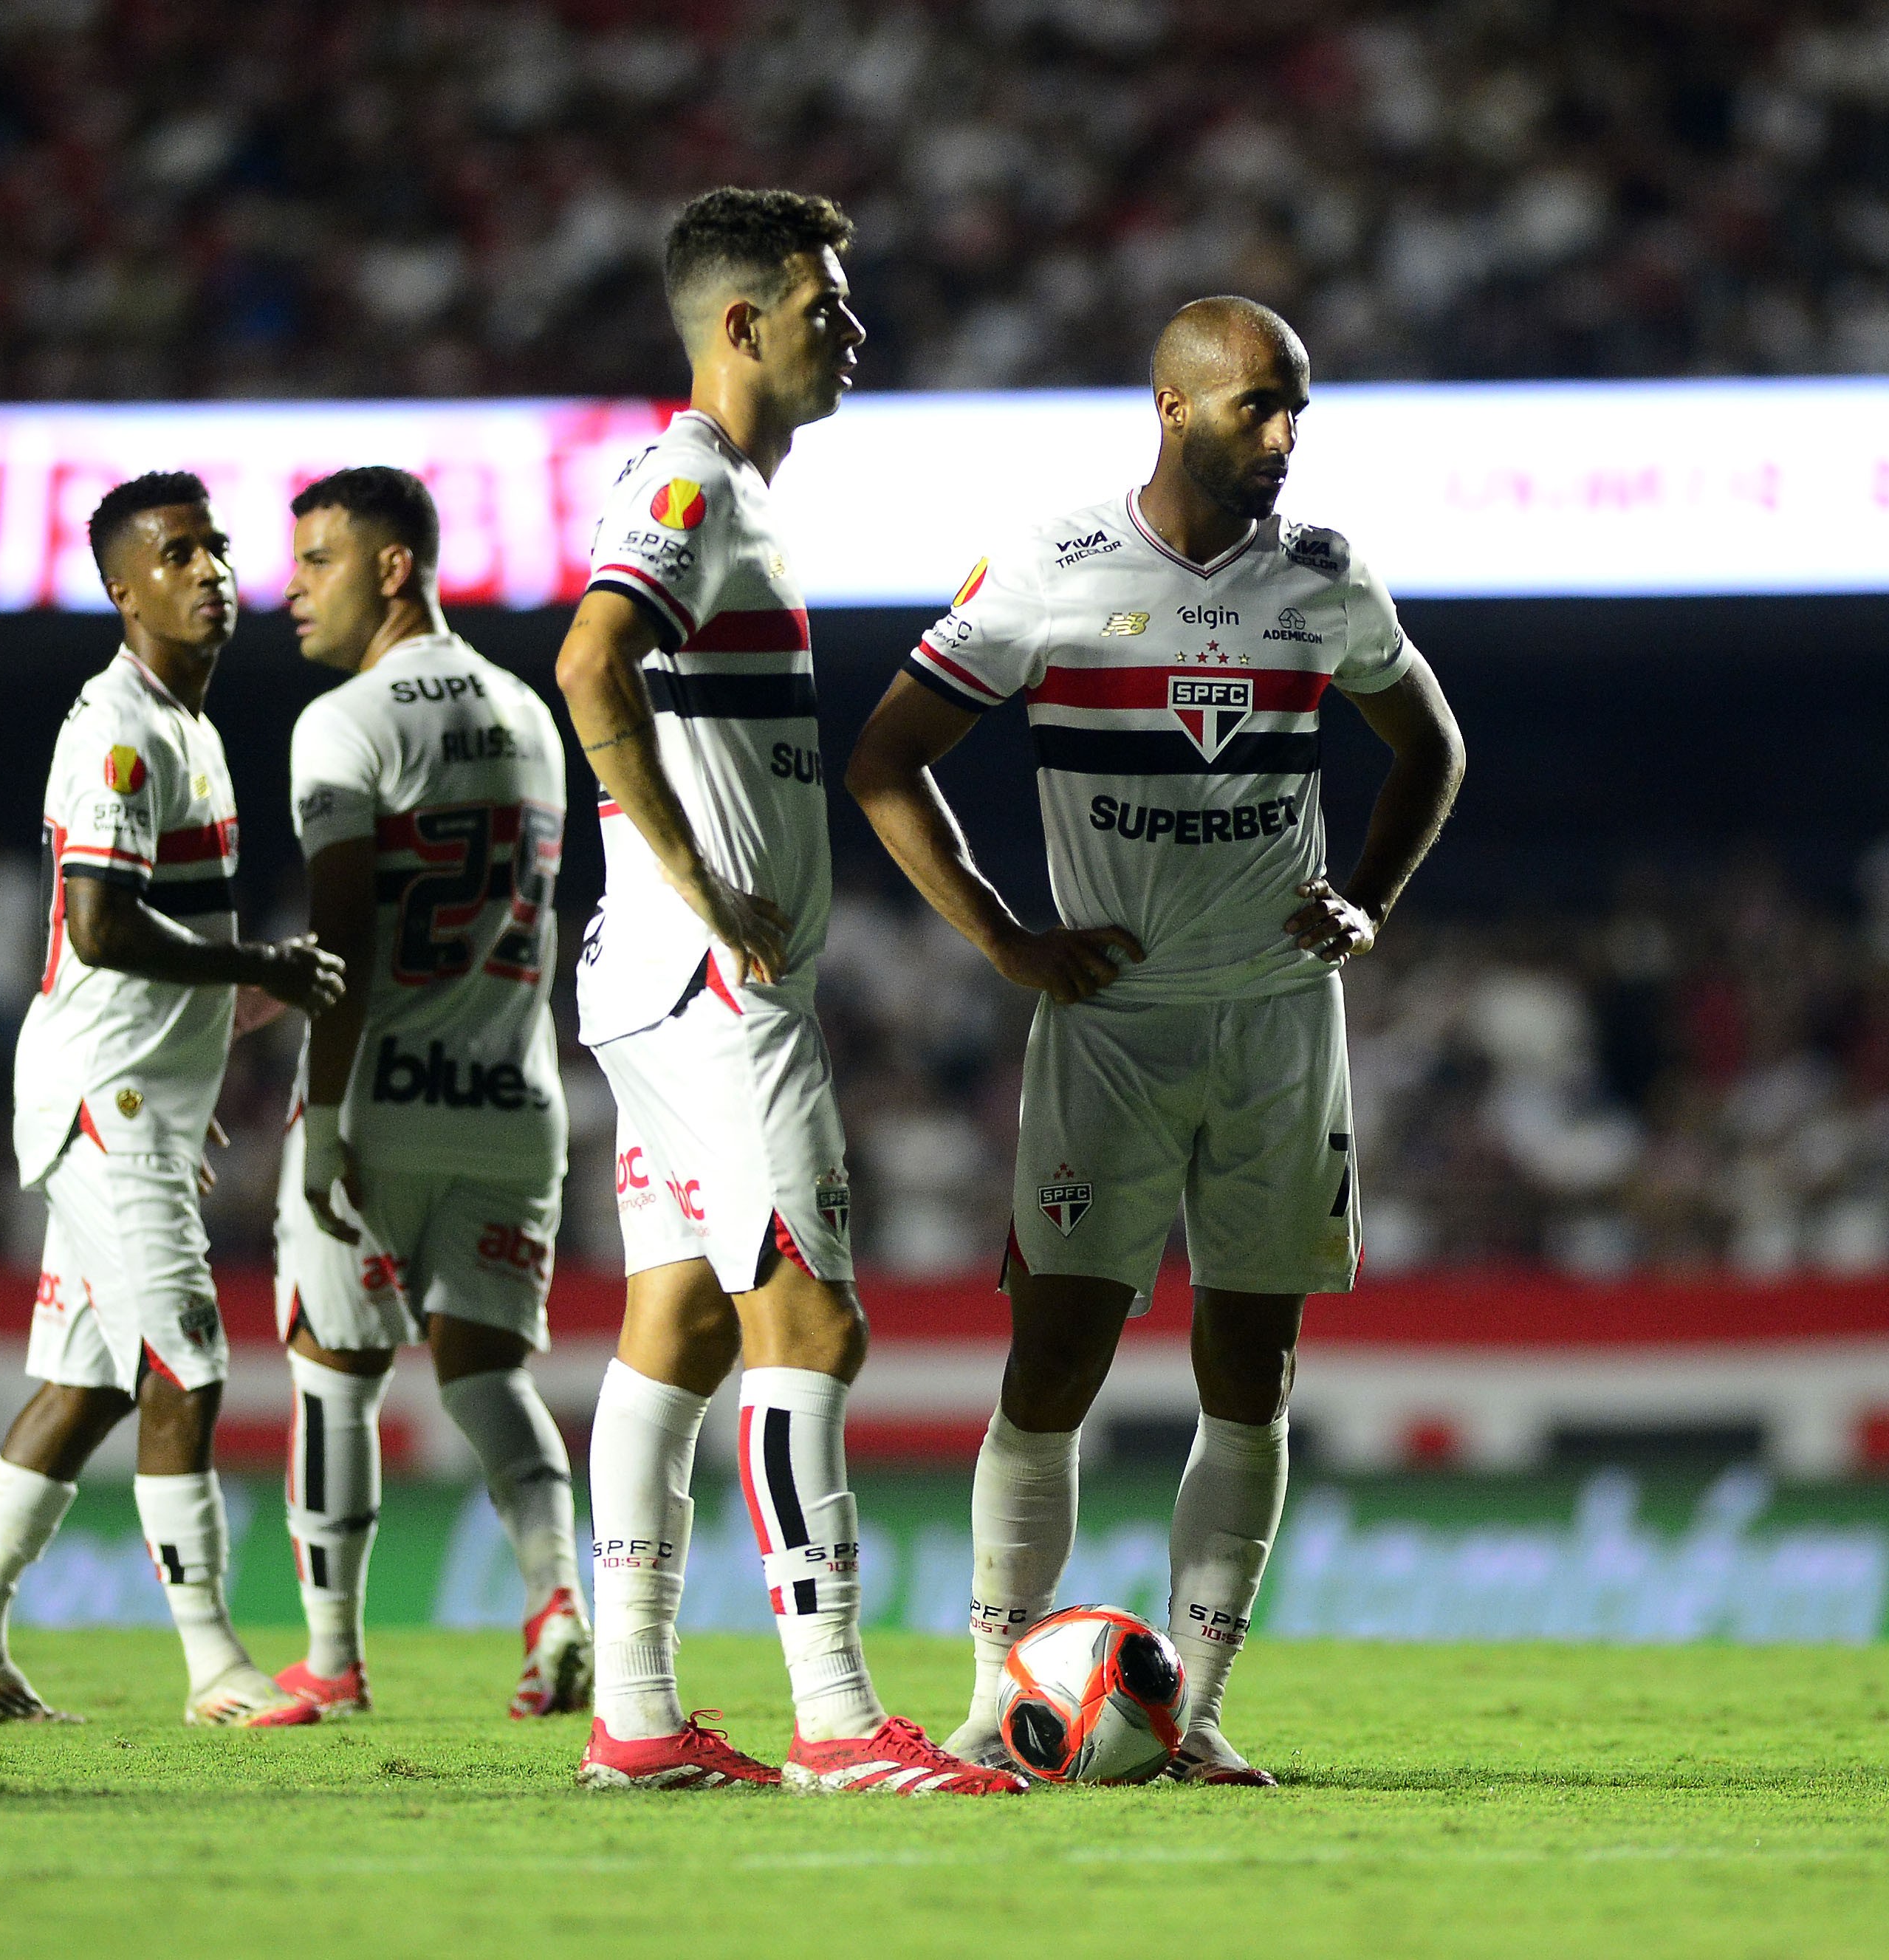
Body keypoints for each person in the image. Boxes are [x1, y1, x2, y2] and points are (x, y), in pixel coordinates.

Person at [848, 296, 1466, 1784]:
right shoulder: (1050, 571)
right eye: (1260, 407)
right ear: (1173, 407)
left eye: (1298, 408)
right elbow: (883, 761)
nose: (1286, 437)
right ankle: (1000, 1690)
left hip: (1273, 1027)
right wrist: (1004, 936)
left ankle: (1190, 1714)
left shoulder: (1321, 578)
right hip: (1107, 1033)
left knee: (1249, 1369)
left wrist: (1367, 900)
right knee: (1053, 1354)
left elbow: (1429, 747)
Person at [553, 187, 1021, 1794]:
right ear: (741, 322)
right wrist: (703, 878)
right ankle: (833, 1716)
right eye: (828, 304)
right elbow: (589, 663)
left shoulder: (721, 493)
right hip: (711, 988)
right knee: (809, 1317)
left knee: (676, 1325)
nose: (855, 331)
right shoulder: (688, 484)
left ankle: (634, 1710)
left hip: (647, 982)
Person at [0, 473, 346, 1728]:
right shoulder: (117, 729)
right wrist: (255, 969)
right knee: (187, 1363)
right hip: (105, 1097)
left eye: (216, 546)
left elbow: (152, 942)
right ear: (122, 587)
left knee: (90, 1382)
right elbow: (99, 926)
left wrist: (209, 1038)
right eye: (178, 553)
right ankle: (214, 1663)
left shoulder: (192, 728)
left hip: (134, 1090)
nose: (211, 569)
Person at [265, 466, 588, 1721]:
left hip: (383, 1098)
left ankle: (333, 1663)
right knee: (488, 1377)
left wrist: (327, 1121)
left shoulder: (344, 725)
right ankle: (555, 1601)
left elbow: (344, 933)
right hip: (514, 1100)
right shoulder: (527, 715)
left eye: (316, 562)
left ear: (393, 567)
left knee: (333, 1374)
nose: (291, 590)